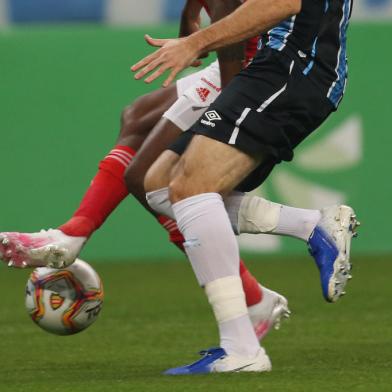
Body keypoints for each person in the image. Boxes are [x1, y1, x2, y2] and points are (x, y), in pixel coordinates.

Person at [0, 0, 290, 344]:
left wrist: (229, 100)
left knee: (146, 176)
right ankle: (255, 296)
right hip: (238, 58)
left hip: (252, 67)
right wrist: (189, 20)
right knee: (136, 121)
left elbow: (233, 16)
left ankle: (310, 230)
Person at [131, 0, 359, 374]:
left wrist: (196, 42)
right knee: (160, 184)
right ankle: (312, 225)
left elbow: (281, 2)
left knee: (191, 187)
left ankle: (241, 349)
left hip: (295, 66)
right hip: (278, 65)